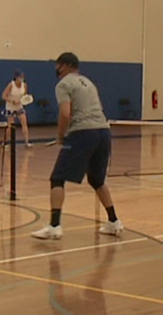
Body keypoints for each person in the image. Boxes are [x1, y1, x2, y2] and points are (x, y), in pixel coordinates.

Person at [31, 52, 123, 240]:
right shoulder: (88, 82)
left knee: (57, 178)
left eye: (57, 65)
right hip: (104, 132)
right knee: (97, 179)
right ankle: (114, 221)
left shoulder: (63, 84)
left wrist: (61, 135)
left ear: (64, 66)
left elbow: (65, 114)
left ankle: (54, 226)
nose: (56, 69)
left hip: (84, 132)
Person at [1, 69, 32, 148]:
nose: (22, 78)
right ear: (16, 77)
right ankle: (5, 142)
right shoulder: (11, 85)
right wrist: (12, 100)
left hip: (19, 107)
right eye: (20, 77)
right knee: (10, 126)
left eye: (22, 77)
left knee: (24, 124)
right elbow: (4, 96)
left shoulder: (24, 85)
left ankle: (26, 142)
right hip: (10, 107)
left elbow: (24, 96)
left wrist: (26, 99)